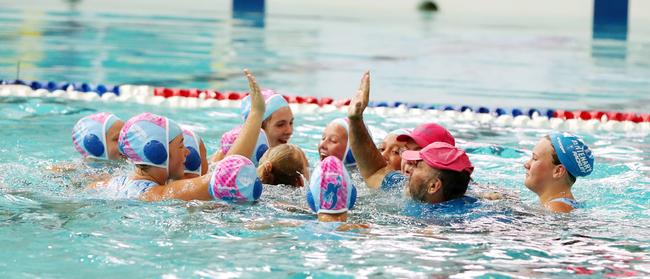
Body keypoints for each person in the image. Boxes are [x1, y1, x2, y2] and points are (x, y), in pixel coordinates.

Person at [94, 69, 266, 203]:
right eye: (181, 145)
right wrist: (256, 114)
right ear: (157, 152)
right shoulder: (156, 195)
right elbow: (228, 175)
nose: (187, 153)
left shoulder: (113, 183)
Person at [347, 72, 474, 205]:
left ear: (433, 186)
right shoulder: (403, 186)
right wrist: (355, 119)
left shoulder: (460, 217)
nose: (408, 161)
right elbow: (374, 171)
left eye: (418, 164)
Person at [524, 132, 594, 212]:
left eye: (535, 158)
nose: (526, 165)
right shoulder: (564, 205)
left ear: (558, 171)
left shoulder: (555, 208)